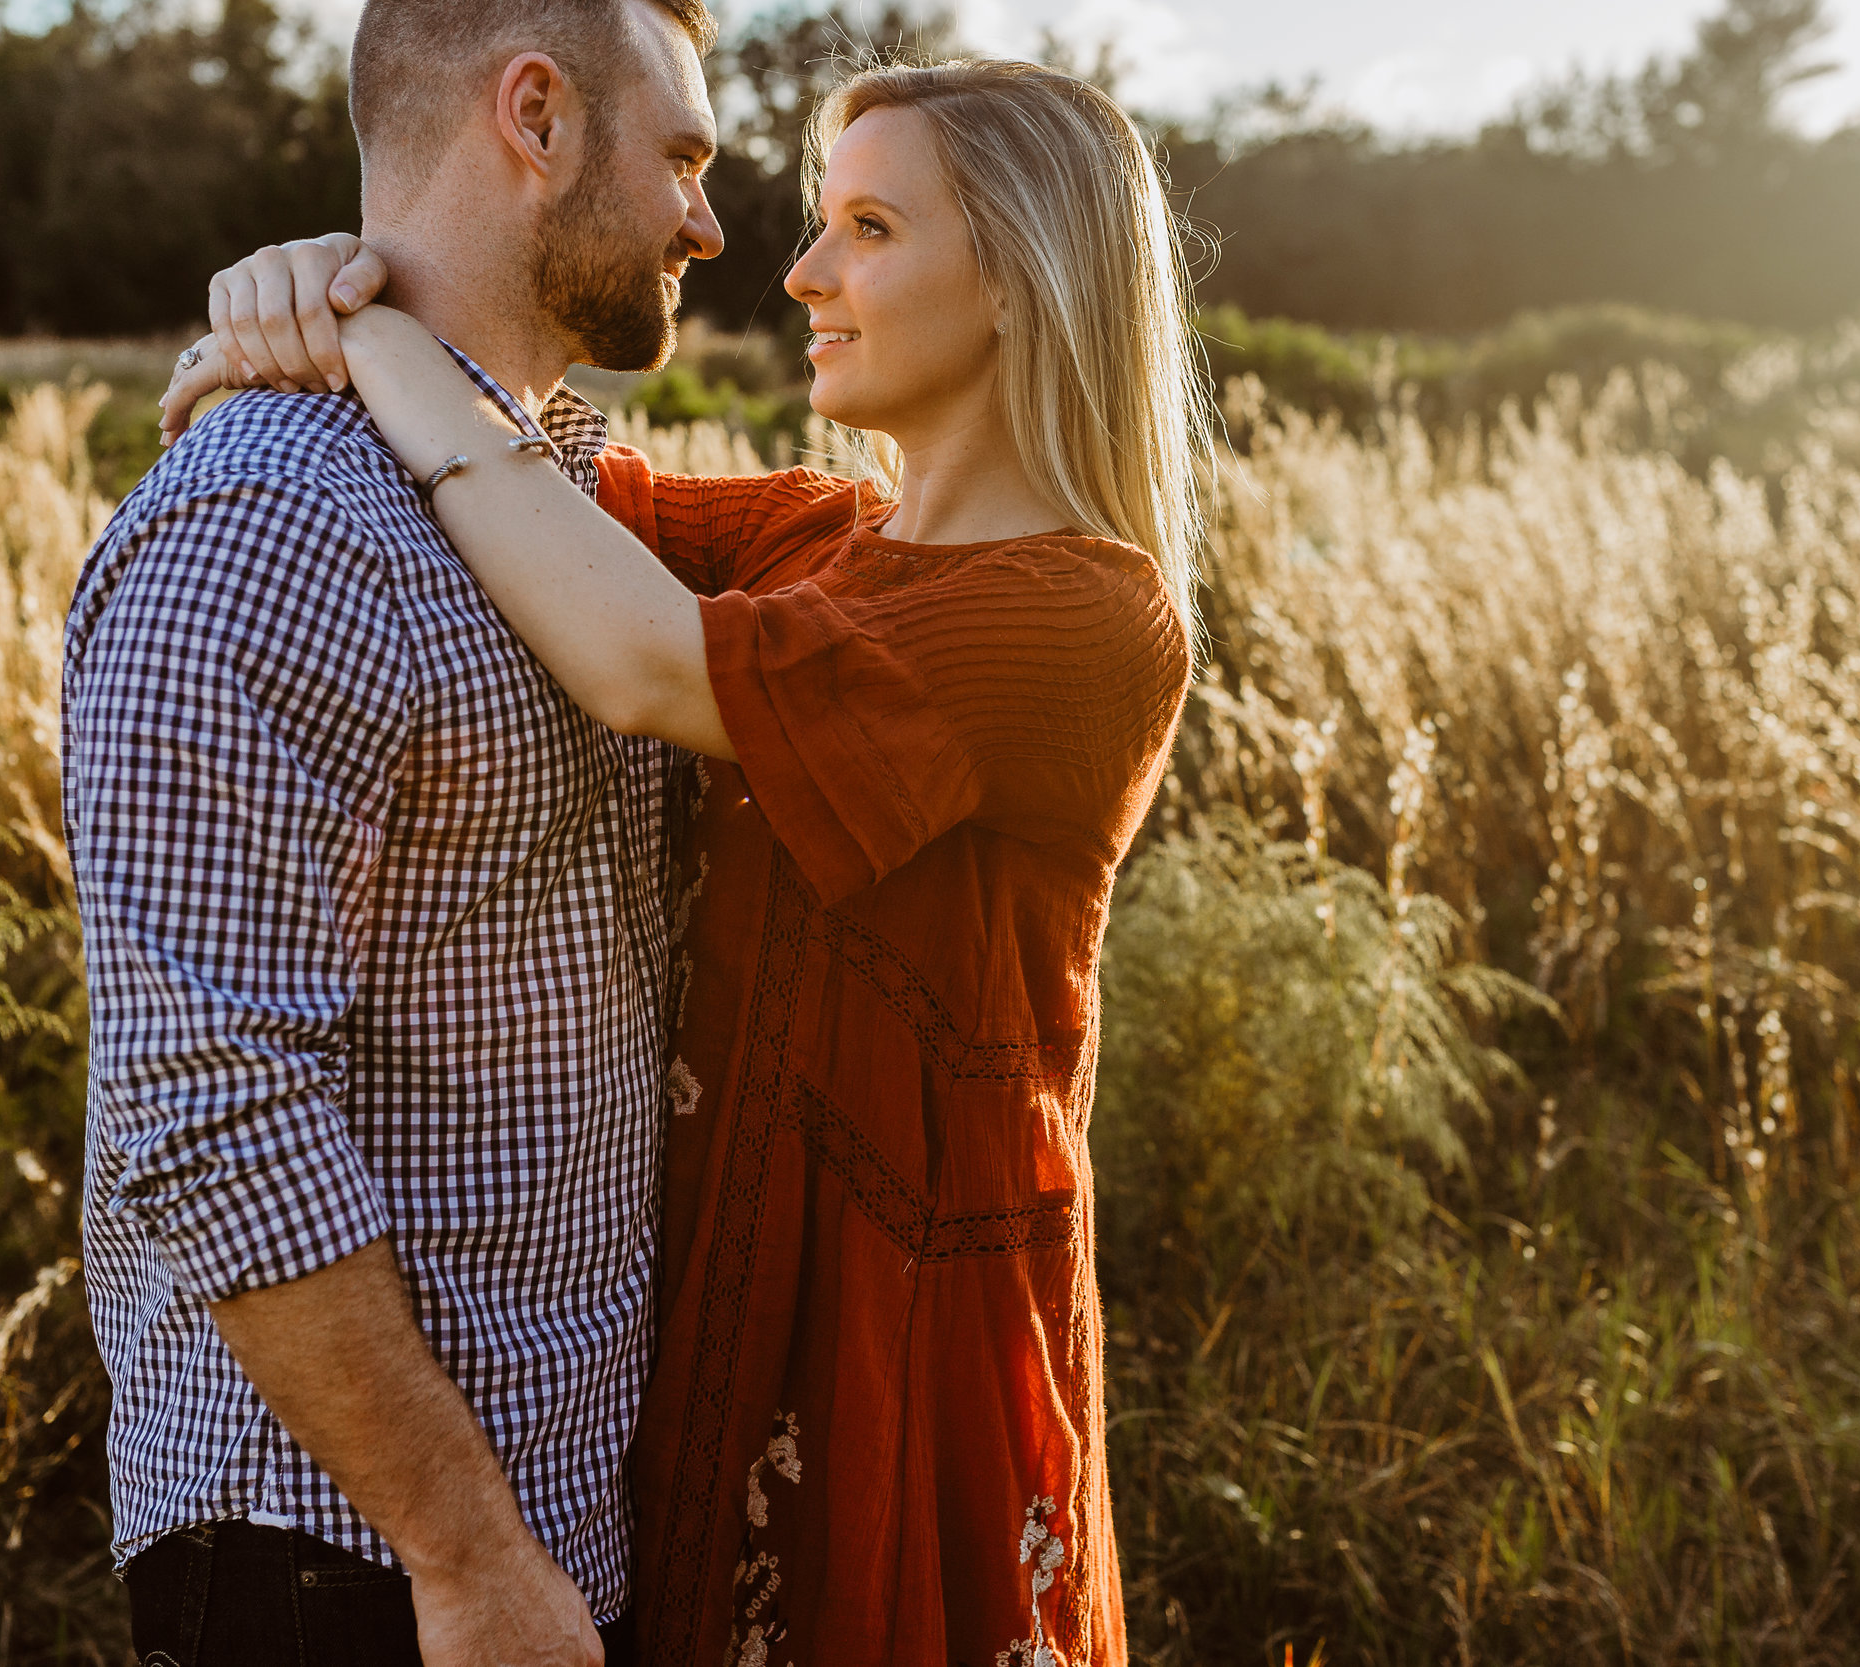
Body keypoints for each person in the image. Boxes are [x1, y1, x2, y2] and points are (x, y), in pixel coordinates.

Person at [165, 55, 1207, 1667]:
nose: (798, 272)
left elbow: (639, 660)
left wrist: (370, 335)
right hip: (707, 1336)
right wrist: (305, 282)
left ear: (1022, 281)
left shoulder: (1079, 616)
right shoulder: (811, 539)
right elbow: (543, 471)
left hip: (893, 1364)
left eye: (867, 227)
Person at [66, 2, 724, 1663]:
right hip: (340, 1561)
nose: (709, 226)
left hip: (546, 1520)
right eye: (685, 158)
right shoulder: (269, 524)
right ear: (535, 115)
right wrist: (466, 1554)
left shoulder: (551, 502)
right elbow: (208, 1101)